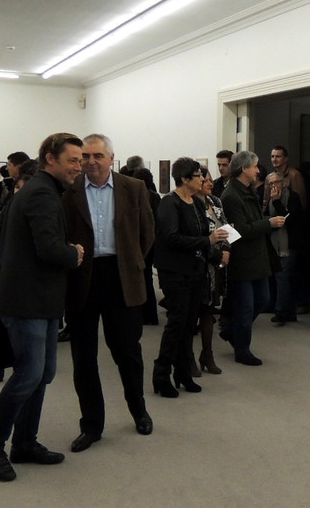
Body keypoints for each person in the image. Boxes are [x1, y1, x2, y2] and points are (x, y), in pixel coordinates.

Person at [0, 132, 84, 482]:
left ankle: (24, 442)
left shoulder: (44, 190)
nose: (78, 167)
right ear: (50, 158)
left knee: (43, 374)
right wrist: (74, 253)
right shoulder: (41, 193)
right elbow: (49, 248)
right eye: (73, 160)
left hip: (42, 299)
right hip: (27, 301)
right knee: (27, 376)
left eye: (80, 160)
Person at [61, 134, 155, 453]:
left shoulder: (133, 188)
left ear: (112, 158)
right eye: (85, 156)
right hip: (82, 278)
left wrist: (132, 261)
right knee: (83, 356)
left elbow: (147, 232)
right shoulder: (69, 190)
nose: (91, 162)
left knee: (128, 351)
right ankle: (91, 425)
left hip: (121, 277)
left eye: (98, 156)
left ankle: (139, 411)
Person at [153, 158, 228, 395]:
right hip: (175, 272)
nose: (203, 179)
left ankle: (183, 373)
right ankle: (161, 375)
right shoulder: (170, 203)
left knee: (188, 325)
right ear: (184, 179)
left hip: (196, 271)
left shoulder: (195, 202)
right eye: (198, 175)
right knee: (176, 324)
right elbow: (171, 238)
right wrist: (207, 240)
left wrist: (216, 249)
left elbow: (203, 234)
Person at [220, 150, 283, 365]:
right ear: (244, 168)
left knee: (263, 299)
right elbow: (241, 231)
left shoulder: (248, 191)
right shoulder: (231, 196)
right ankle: (242, 349)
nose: (258, 170)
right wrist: (269, 223)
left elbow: (253, 221)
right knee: (245, 306)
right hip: (242, 259)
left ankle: (232, 330)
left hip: (257, 256)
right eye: (255, 166)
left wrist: (267, 221)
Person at [194, 166, 229, 375]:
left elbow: (225, 227)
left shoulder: (215, 202)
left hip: (214, 267)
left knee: (207, 312)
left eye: (210, 179)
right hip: (197, 263)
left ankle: (207, 354)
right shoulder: (189, 204)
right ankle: (186, 358)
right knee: (191, 314)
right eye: (205, 180)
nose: (210, 183)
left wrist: (226, 250)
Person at [264, 171, 302, 325]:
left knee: (283, 277)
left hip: (289, 244)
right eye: (270, 184)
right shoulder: (268, 199)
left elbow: (288, 219)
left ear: (284, 183)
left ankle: (281, 311)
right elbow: (266, 217)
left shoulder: (293, 197)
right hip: (274, 243)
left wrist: (277, 202)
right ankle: (288, 311)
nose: (273, 186)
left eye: (276, 182)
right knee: (280, 277)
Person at [133, 167, 161, 326]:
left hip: (141, 243)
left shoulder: (138, 196)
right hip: (152, 243)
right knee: (147, 278)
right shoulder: (155, 197)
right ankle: (150, 314)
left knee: (142, 279)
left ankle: (145, 314)